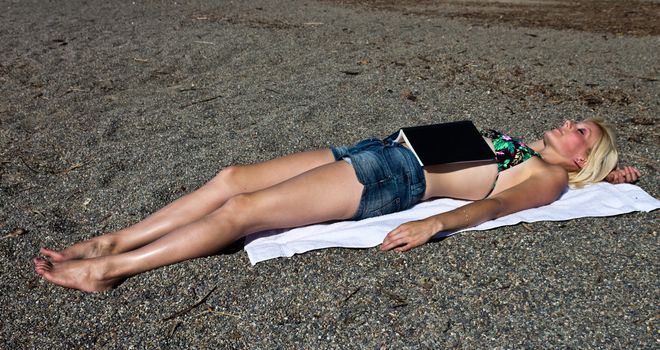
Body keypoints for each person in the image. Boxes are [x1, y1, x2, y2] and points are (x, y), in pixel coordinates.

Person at [33, 119, 640, 292]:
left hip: (397, 175)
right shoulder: (533, 153)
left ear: (584, 161)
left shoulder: (546, 178)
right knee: (231, 177)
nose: (569, 125)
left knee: (242, 210)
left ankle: (108, 270)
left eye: (583, 133)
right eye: (573, 121)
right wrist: (610, 174)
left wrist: (432, 224)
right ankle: (110, 239)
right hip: (376, 148)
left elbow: (491, 210)